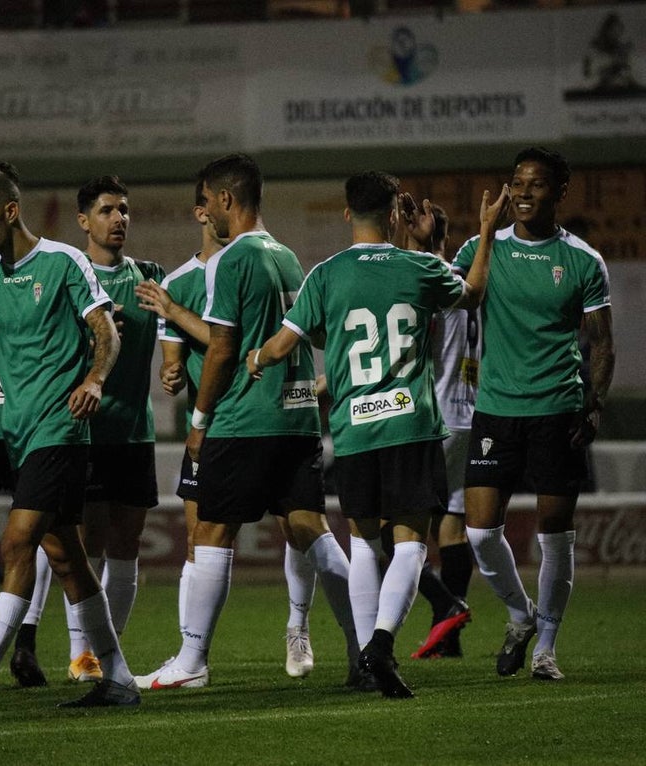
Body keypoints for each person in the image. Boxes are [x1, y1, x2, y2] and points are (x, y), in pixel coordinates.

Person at [248, 171, 508, 698]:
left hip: (355, 430)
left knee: (365, 541)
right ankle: (382, 645)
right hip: (409, 424)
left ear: (348, 214)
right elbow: (473, 293)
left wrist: (254, 359)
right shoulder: (418, 267)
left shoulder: (324, 275)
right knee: (409, 543)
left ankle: (365, 658)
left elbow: (281, 345)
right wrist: (483, 231)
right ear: (394, 215)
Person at [133, 153, 360, 691]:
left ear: (226, 200)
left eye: (208, 200)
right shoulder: (286, 256)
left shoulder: (233, 260)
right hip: (297, 415)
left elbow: (223, 350)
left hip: (244, 418)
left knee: (211, 532)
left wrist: (200, 420)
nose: (204, 211)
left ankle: (191, 663)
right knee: (311, 530)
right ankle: (364, 650)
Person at [0, 161, 139, 711]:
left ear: (11, 212)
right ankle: (119, 679)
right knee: (67, 559)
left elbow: (105, 330)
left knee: (17, 541)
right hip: (18, 436)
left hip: (61, 430)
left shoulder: (64, 262)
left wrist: (94, 379)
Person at [457, 147, 615, 682]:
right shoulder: (484, 248)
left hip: (557, 409)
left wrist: (593, 404)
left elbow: (602, 344)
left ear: (559, 192)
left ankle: (546, 647)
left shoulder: (582, 260)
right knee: (479, 533)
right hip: (495, 410)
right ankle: (521, 614)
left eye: (537, 184)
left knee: (554, 532)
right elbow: (444, 287)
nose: (523, 193)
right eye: (516, 183)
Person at [60, 175, 166, 683]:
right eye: (106, 210)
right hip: (82, 431)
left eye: (124, 209)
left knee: (127, 544)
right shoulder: (69, 279)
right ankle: (81, 654)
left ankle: (107, 654)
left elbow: (175, 335)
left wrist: (173, 365)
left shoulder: (149, 277)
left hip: (133, 432)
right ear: (84, 221)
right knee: (83, 545)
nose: (119, 218)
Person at [399, 197, 478, 660]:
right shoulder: (466, 283)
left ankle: (446, 603)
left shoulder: (427, 279)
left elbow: (414, 344)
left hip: (431, 415)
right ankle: (448, 638)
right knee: (452, 525)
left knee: (393, 528)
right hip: (466, 411)